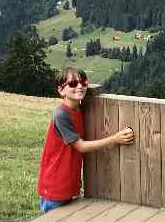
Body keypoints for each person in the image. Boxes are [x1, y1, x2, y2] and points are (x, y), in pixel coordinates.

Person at [38, 67, 134, 212]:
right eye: (72, 84)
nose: (79, 86)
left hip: (67, 183)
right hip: (55, 186)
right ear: (61, 90)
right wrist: (115, 138)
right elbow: (81, 146)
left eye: (83, 82)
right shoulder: (61, 115)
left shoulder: (80, 109)